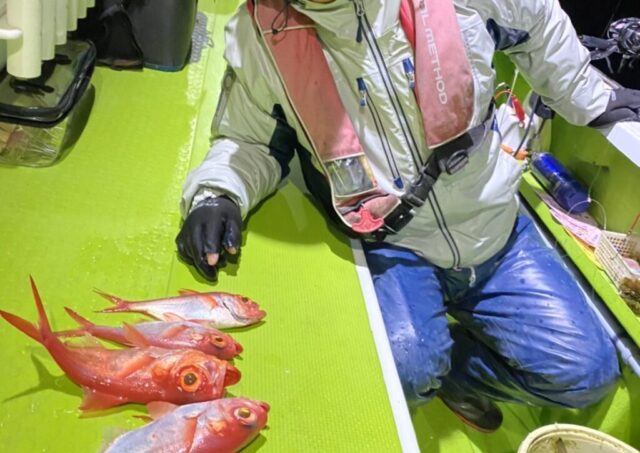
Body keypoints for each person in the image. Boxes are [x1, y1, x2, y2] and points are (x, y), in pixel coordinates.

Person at [176, 0, 640, 432]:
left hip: (495, 225)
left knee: (586, 375)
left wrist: (588, 97)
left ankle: (458, 377)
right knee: (403, 374)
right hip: (391, 244)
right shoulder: (258, 32)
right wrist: (218, 194)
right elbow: (248, 139)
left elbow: (536, 20)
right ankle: (431, 359)